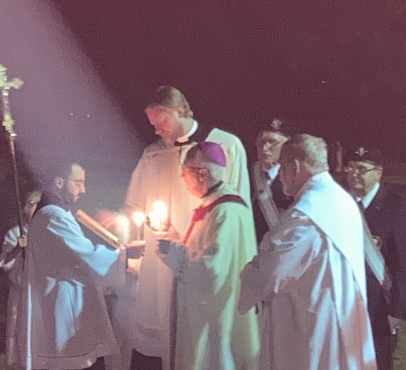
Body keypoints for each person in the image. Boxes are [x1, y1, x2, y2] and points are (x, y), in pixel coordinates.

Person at [123, 86, 250, 369]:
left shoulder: (227, 146)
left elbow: (236, 204)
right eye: (153, 125)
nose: (157, 131)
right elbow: (136, 207)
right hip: (163, 261)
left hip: (207, 257)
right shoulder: (153, 155)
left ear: (181, 111)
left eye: (161, 122)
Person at [239, 134, 376, 370]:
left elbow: (272, 273)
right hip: (339, 312)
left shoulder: (306, 214)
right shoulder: (339, 198)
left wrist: (247, 274)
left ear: (295, 167)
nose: (280, 175)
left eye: (282, 167)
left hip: (311, 323)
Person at [18, 161, 145, 370]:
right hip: (62, 306)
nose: (83, 190)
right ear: (59, 181)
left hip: (64, 299)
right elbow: (87, 255)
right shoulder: (52, 216)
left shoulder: (56, 213)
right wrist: (125, 253)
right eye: (78, 183)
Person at [156, 142, 259, 370]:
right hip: (207, 311)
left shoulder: (227, 210)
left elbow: (212, 271)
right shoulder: (213, 205)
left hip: (218, 316)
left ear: (202, 174)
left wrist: (173, 251)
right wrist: (175, 239)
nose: (184, 181)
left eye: (185, 174)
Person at [345, 147, 406, 370]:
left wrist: (398, 310)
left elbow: (404, 263)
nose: (354, 173)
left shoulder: (397, 207)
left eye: (362, 169)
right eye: (351, 168)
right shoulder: (340, 203)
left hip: (378, 305)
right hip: (343, 300)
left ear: (379, 172)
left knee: (376, 361)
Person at [0, 182, 42, 367]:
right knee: (19, 336)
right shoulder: (15, 233)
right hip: (20, 294)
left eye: (36, 204)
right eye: (30, 203)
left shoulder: (46, 233)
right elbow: (5, 263)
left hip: (40, 296)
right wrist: (18, 248)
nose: (31, 208)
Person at [249, 118, 294, 244]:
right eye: (261, 141)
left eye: (272, 142)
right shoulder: (247, 174)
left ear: (287, 145)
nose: (265, 147)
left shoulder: (296, 178)